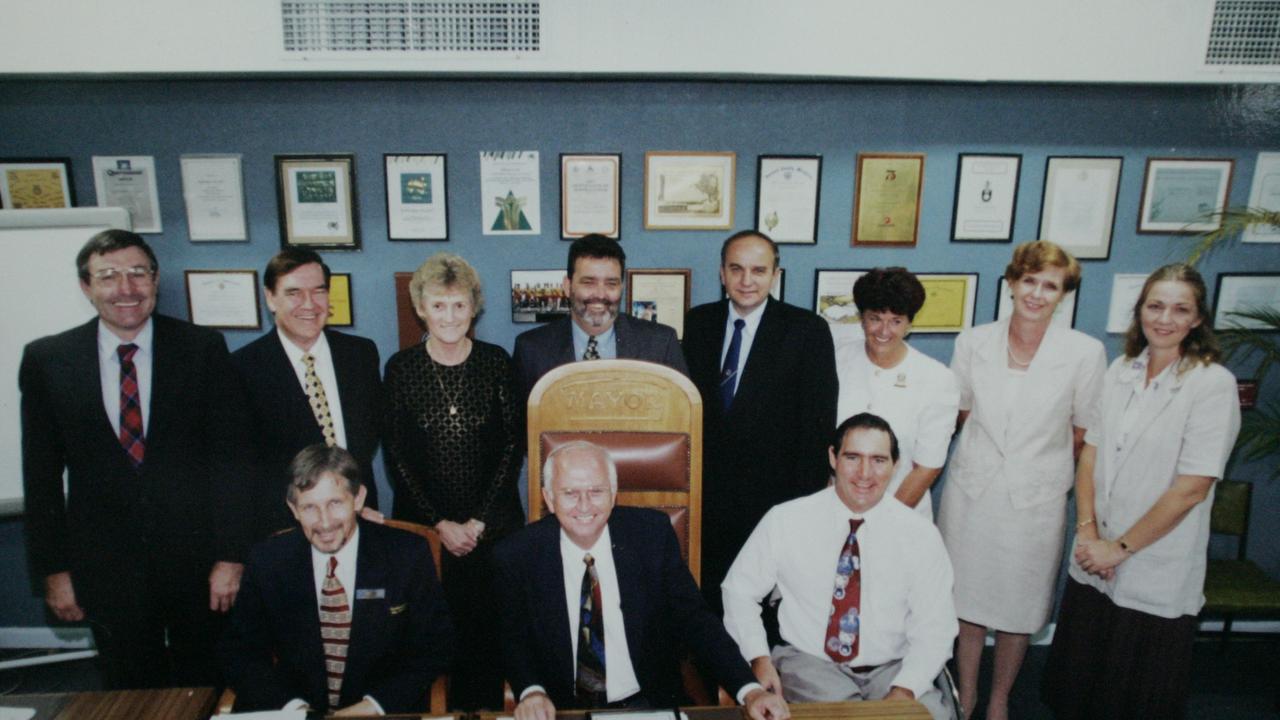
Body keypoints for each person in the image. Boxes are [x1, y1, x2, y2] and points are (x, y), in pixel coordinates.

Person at [19, 229, 250, 688]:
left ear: (155, 280)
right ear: (86, 286)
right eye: (108, 276)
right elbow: (40, 477)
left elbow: (231, 461)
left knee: (205, 682)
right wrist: (54, 571)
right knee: (128, 689)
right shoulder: (48, 360)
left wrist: (231, 558)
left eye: (137, 273)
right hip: (105, 567)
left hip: (197, 564)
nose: (125, 288)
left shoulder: (202, 349)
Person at [1042, 263, 1241, 719]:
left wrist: (1121, 548)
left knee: (1134, 695)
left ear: (1197, 320)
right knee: (1082, 688)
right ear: (1140, 311)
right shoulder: (1120, 371)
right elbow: (1090, 452)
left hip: (1154, 561)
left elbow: (1192, 488)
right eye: (1155, 305)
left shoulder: (1212, 385)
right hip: (1096, 555)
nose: (1164, 319)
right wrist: (1090, 532)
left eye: (1179, 309)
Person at [492, 441, 790, 720]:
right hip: (562, 711)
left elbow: (696, 622)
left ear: (613, 493)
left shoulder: (651, 536)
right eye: (570, 493)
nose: (584, 505)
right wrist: (531, 691)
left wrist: (749, 690)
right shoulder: (518, 554)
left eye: (596, 491)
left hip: (647, 705)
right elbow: (511, 637)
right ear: (549, 499)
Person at [935, 240, 1106, 720]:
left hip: (1036, 498)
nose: (1036, 293)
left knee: (1021, 606)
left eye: (1050, 285)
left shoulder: (1084, 352)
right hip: (972, 491)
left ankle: (1000, 698)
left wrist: (1035, 466)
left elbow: (1083, 431)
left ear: (1063, 294)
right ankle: (966, 692)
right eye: (1029, 281)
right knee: (965, 600)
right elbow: (959, 411)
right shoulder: (974, 342)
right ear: (1011, 283)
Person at [721, 413, 958, 719]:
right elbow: (738, 590)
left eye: (878, 460)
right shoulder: (786, 520)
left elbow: (936, 626)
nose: (864, 473)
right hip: (810, 667)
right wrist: (758, 656)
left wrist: (905, 688)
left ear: (895, 465)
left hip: (895, 669)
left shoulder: (921, 535)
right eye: (852, 457)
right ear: (832, 458)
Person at [383, 252, 523, 710]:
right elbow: (397, 456)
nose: (449, 316)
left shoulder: (496, 362)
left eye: (459, 305)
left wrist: (478, 521)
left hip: (494, 529)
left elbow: (511, 449)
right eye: (438, 306)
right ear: (421, 308)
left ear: (474, 308)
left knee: (491, 636)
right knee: (434, 637)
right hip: (428, 531)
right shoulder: (401, 369)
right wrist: (440, 522)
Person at [220, 444, 454, 715]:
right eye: (309, 507)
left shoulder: (406, 554)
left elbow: (437, 646)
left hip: (378, 712)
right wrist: (293, 708)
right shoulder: (269, 561)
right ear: (293, 509)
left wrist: (373, 706)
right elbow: (238, 652)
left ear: (358, 498)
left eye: (334, 503)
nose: (325, 522)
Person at [683, 230, 838, 610]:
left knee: (762, 609)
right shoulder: (699, 322)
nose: (746, 281)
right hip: (708, 500)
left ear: (775, 275)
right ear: (722, 273)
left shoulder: (806, 330)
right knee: (712, 603)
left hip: (773, 502)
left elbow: (818, 425)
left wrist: (802, 508)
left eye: (758, 270)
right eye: (736, 269)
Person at [232, 248, 384, 539]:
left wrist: (354, 503)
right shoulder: (243, 368)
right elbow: (242, 467)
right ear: (270, 298)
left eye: (318, 291)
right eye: (293, 293)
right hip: (287, 530)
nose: (309, 304)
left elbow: (368, 438)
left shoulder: (360, 354)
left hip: (362, 519)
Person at [834, 267, 959, 519]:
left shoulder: (937, 379)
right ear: (862, 319)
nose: (884, 330)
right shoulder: (836, 361)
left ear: (909, 323)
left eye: (896, 321)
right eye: (875, 318)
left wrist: (880, 522)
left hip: (901, 512)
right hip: (835, 508)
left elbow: (927, 467)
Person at [512, 233, 688, 402]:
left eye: (611, 283)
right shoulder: (531, 350)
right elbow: (523, 428)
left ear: (622, 287)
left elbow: (680, 421)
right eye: (589, 282)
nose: (600, 294)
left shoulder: (660, 344)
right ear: (567, 286)